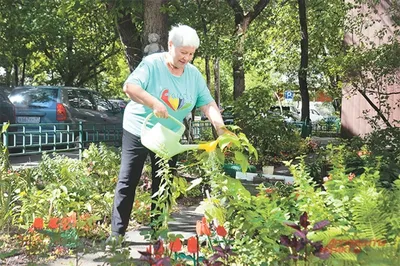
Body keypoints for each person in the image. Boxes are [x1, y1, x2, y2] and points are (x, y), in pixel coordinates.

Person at [108, 24, 227, 242]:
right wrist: (154, 102)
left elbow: (208, 103)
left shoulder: (193, 75)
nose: (187, 58)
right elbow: (130, 87)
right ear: (171, 45)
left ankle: (157, 232)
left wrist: (221, 129)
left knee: (163, 181)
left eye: (191, 54)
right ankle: (116, 235)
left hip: (168, 135)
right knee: (128, 179)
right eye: (183, 52)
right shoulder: (152, 64)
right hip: (139, 128)